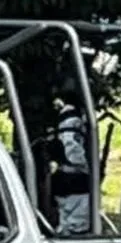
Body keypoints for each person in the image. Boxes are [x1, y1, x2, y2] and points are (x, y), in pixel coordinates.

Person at [49, 95, 91, 235]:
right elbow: (72, 148)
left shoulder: (61, 120)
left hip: (63, 180)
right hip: (74, 181)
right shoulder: (72, 121)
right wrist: (83, 167)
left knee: (65, 221)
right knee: (76, 226)